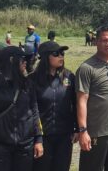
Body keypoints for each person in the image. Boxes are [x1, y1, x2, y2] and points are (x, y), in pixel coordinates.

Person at [0, 46, 44, 171]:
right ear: (12, 60)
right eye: (23, 59)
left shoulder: (28, 84)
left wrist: (39, 139)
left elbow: (34, 111)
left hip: (25, 147)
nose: (25, 62)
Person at [75, 27, 108, 171]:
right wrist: (83, 131)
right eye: (104, 40)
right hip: (96, 132)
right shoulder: (86, 68)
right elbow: (81, 100)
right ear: (96, 42)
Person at [32, 41, 77, 171]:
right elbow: (32, 110)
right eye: (56, 54)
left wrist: (77, 129)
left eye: (62, 53)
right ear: (46, 57)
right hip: (43, 136)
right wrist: (38, 138)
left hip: (64, 135)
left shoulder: (69, 77)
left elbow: (75, 103)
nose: (61, 56)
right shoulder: (33, 80)